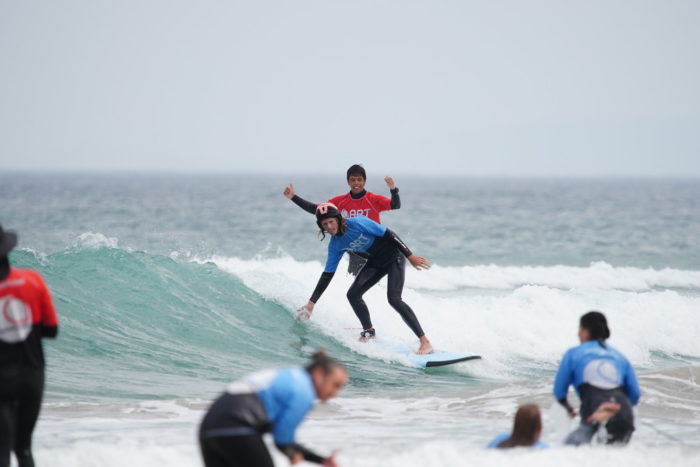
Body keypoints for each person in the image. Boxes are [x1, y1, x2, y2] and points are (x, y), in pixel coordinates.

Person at [297, 203, 433, 354]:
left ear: (338, 219)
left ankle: (425, 342)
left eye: (331, 222)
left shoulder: (358, 222)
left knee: (394, 299)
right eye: (325, 224)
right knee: (353, 295)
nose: (329, 226)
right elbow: (327, 274)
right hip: (375, 262)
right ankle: (369, 332)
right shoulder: (335, 245)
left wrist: (410, 255)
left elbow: (389, 233)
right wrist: (311, 303)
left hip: (394, 257)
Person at [199, 350, 346, 467]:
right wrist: (291, 454)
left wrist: (320, 460)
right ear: (319, 373)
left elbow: (282, 440)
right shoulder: (304, 391)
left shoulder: (290, 375)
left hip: (208, 428)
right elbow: (282, 439)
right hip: (239, 427)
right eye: (335, 385)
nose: (336, 392)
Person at [0, 225, 59, 467]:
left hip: (2, 380)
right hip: (33, 377)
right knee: (23, 448)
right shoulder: (33, 281)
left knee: (1, 451)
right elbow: (52, 330)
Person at [283, 164, 401, 275]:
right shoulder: (340, 202)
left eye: (359, 179)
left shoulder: (373, 199)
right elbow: (317, 209)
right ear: (348, 182)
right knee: (353, 285)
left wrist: (393, 189)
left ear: (364, 181)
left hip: (376, 247)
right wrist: (293, 197)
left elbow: (395, 205)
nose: (356, 183)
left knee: (377, 283)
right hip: (356, 251)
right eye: (352, 180)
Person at [553, 311, 640, 446]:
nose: (578, 333)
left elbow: (559, 391)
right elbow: (635, 395)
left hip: (597, 411)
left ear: (585, 332)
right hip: (624, 413)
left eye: (580, 329)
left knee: (569, 449)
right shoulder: (619, 356)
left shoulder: (574, 354)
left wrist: (568, 408)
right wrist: (618, 407)